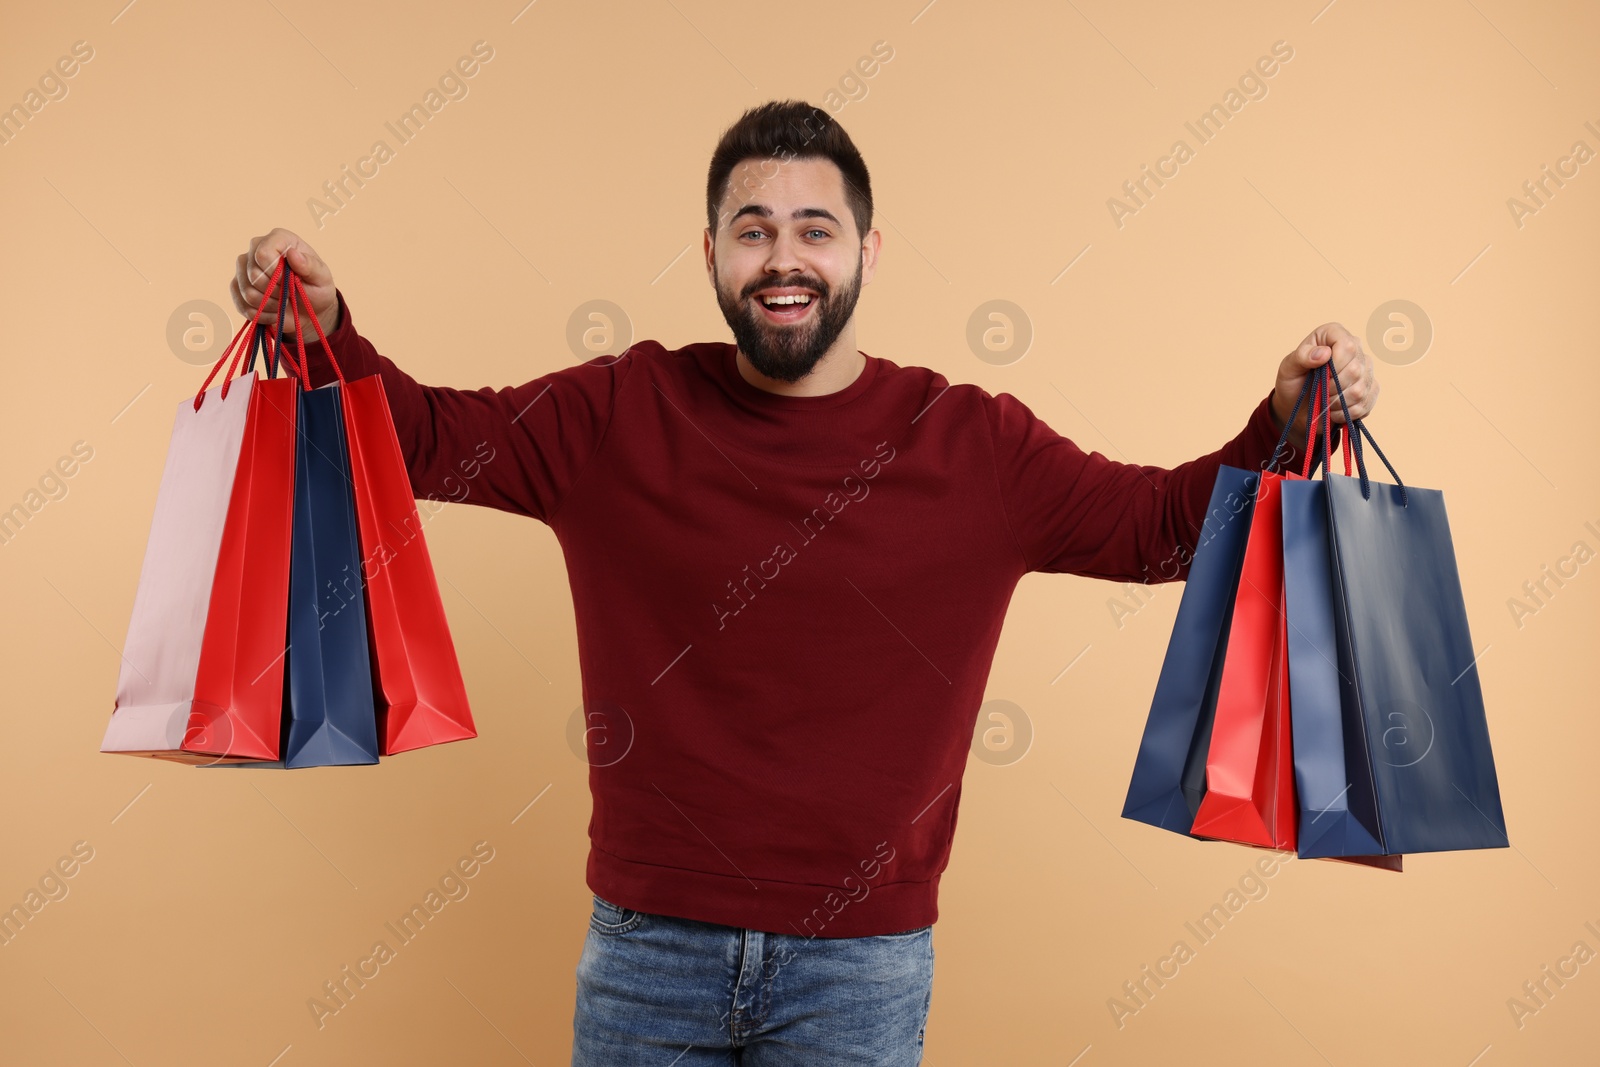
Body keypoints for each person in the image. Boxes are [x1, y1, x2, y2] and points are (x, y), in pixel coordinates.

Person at [232, 99, 1377, 1066]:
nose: (783, 259)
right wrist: (330, 332)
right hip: (645, 947)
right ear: (713, 253)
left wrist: (1278, 424)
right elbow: (425, 438)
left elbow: (1161, 532)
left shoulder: (970, 443)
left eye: (815, 230)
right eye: (754, 230)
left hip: (863, 965)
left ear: (867, 253)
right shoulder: (617, 412)